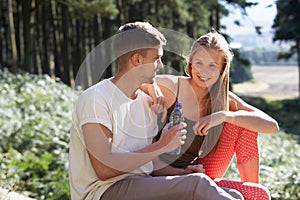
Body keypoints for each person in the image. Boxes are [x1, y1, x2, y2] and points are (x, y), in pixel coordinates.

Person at [68, 22, 245, 200]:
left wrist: (181, 173)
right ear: (137, 60)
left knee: (232, 195)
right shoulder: (96, 98)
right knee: (197, 185)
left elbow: (148, 164)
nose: (161, 65)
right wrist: (162, 145)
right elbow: (105, 170)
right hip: (103, 192)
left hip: (141, 183)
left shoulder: (146, 102)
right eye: (156, 58)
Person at [143, 31, 279, 200]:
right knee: (260, 194)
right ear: (190, 62)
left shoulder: (222, 98)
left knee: (244, 122)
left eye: (212, 65)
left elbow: (272, 126)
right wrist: (149, 86)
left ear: (222, 69)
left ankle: (250, 189)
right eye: (199, 63)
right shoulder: (173, 87)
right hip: (162, 177)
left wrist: (223, 115)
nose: (203, 71)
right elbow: (125, 82)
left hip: (197, 173)